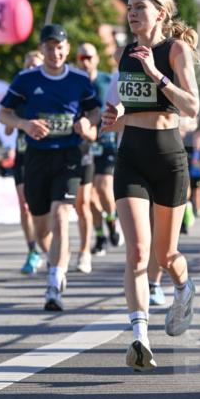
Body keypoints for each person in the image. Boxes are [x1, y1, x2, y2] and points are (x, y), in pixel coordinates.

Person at [101, 0, 200, 371]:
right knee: (138, 252)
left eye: (141, 6)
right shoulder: (123, 53)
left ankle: (183, 286)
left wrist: (156, 74)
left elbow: (191, 107)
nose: (133, 12)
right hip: (131, 157)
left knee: (166, 254)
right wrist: (110, 119)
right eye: (129, 6)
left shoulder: (176, 50)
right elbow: (120, 110)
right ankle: (139, 337)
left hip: (168, 158)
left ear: (161, 13)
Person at [0, 23, 101, 312]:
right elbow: (3, 113)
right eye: (49, 47)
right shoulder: (26, 79)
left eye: (60, 47)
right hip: (36, 158)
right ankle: (53, 258)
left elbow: (94, 110)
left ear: (67, 50)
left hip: (68, 155)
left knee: (61, 215)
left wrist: (87, 123)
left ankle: (55, 283)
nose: (55, 52)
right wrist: (24, 124)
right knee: (42, 227)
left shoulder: (80, 81)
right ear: (41, 49)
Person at [74, 42, 121, 265]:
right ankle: (100, 235)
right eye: (81, 57)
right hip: (82, 143)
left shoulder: (106, 79)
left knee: (103, 187)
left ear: (96, 59)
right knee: (88, 198)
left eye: (89, 57)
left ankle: (112, 220)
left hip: (105, 141)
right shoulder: (73, 82)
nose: (85, 61)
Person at [4, 49, 44, 275]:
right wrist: (21, 121)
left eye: (34, 65)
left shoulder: (49, 91)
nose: (30, 69)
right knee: (25, 205)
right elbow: (7, 128)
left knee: (45, 209)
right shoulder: (19, 92)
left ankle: (50, 247)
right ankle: (32, 250)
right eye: (27, 65)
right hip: (23, 154)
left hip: (47, 155)